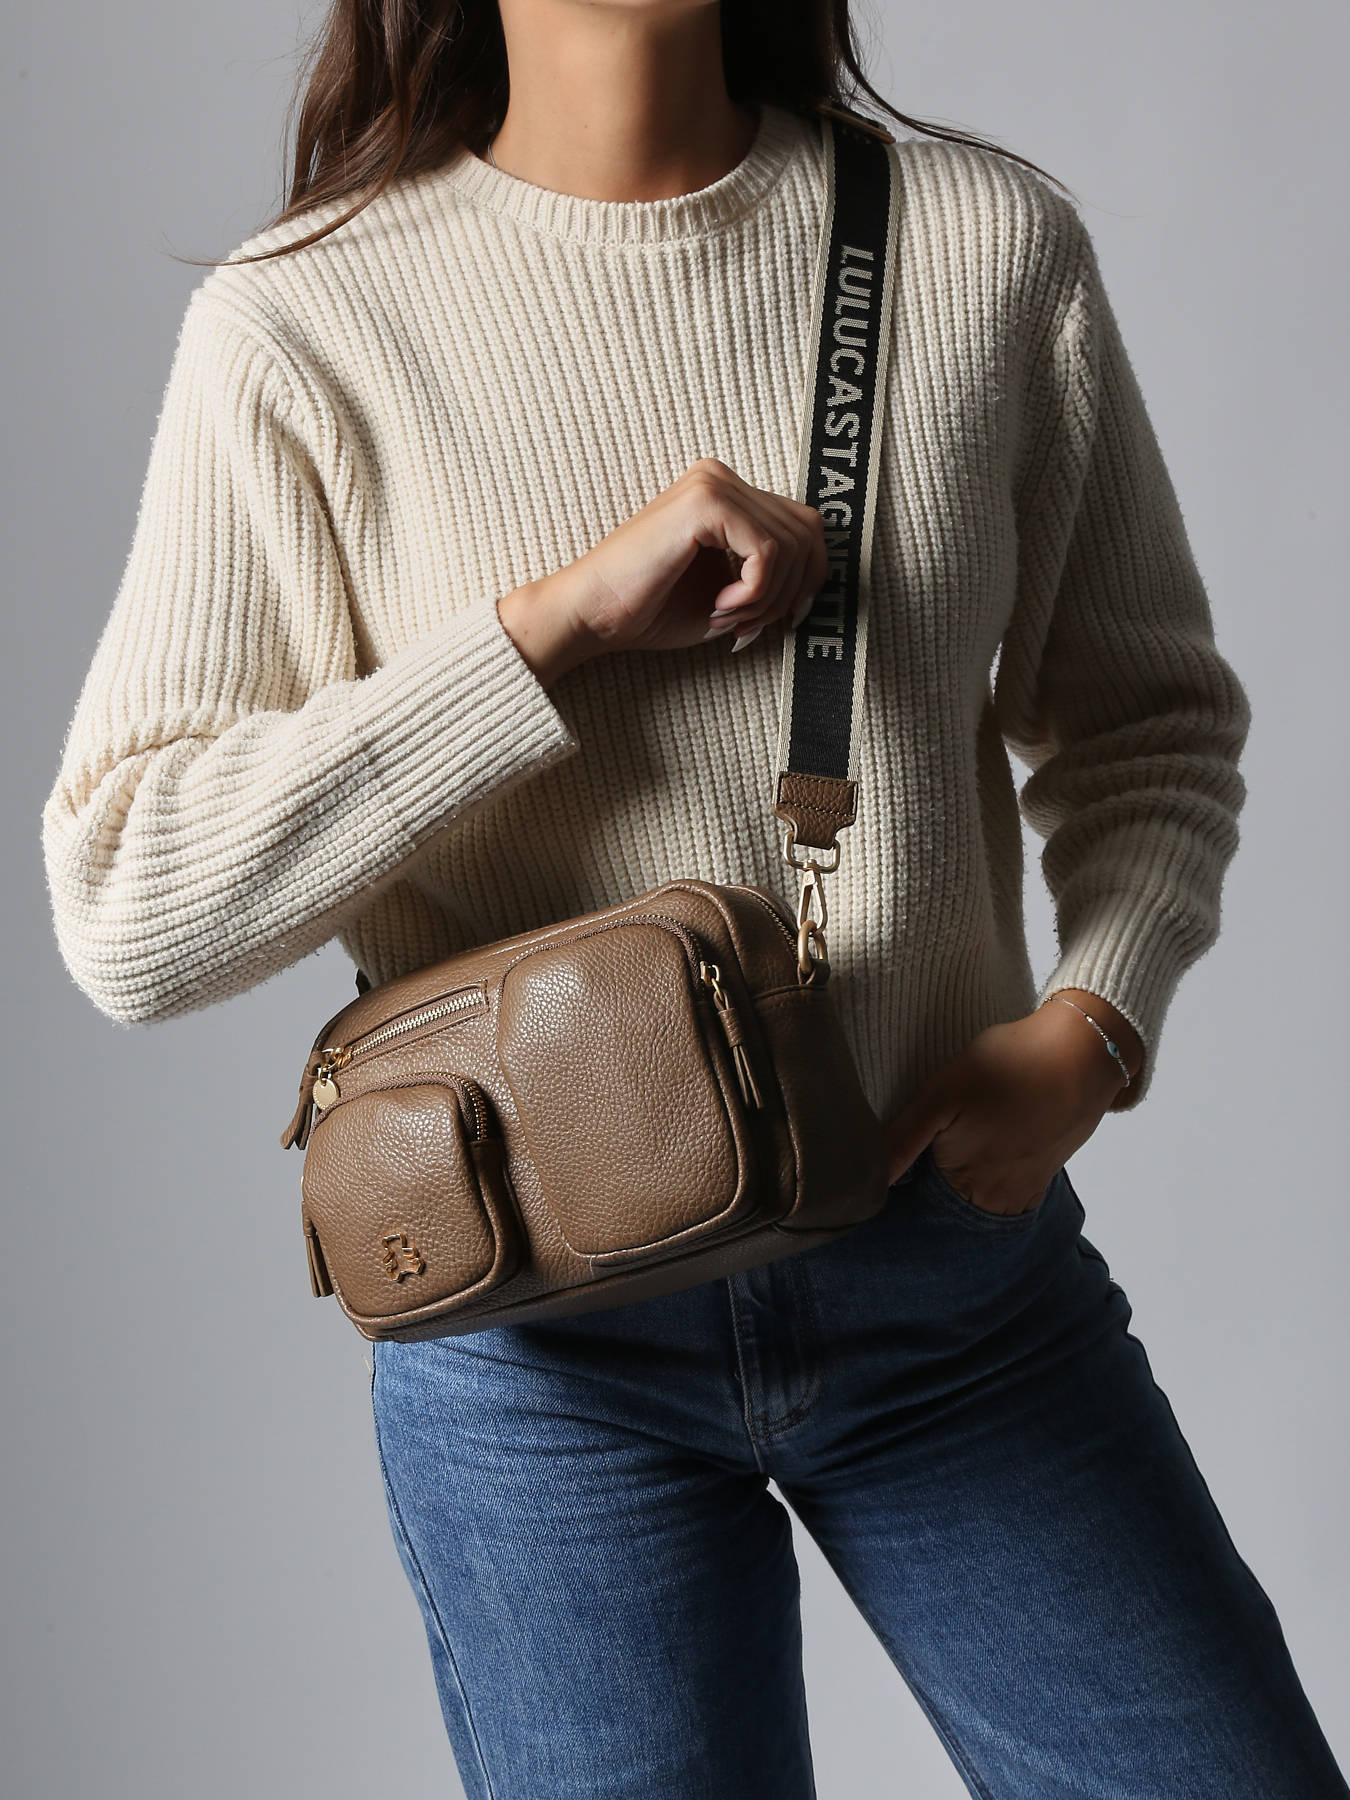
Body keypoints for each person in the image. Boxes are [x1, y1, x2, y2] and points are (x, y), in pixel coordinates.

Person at [40, 2, 1347, 1795]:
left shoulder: (978, 247)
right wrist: (546, 633)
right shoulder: (304, 324)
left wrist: (1092, 1026)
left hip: (951, 1282)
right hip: (538, 1351)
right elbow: (128, 906)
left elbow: (1149, 725)